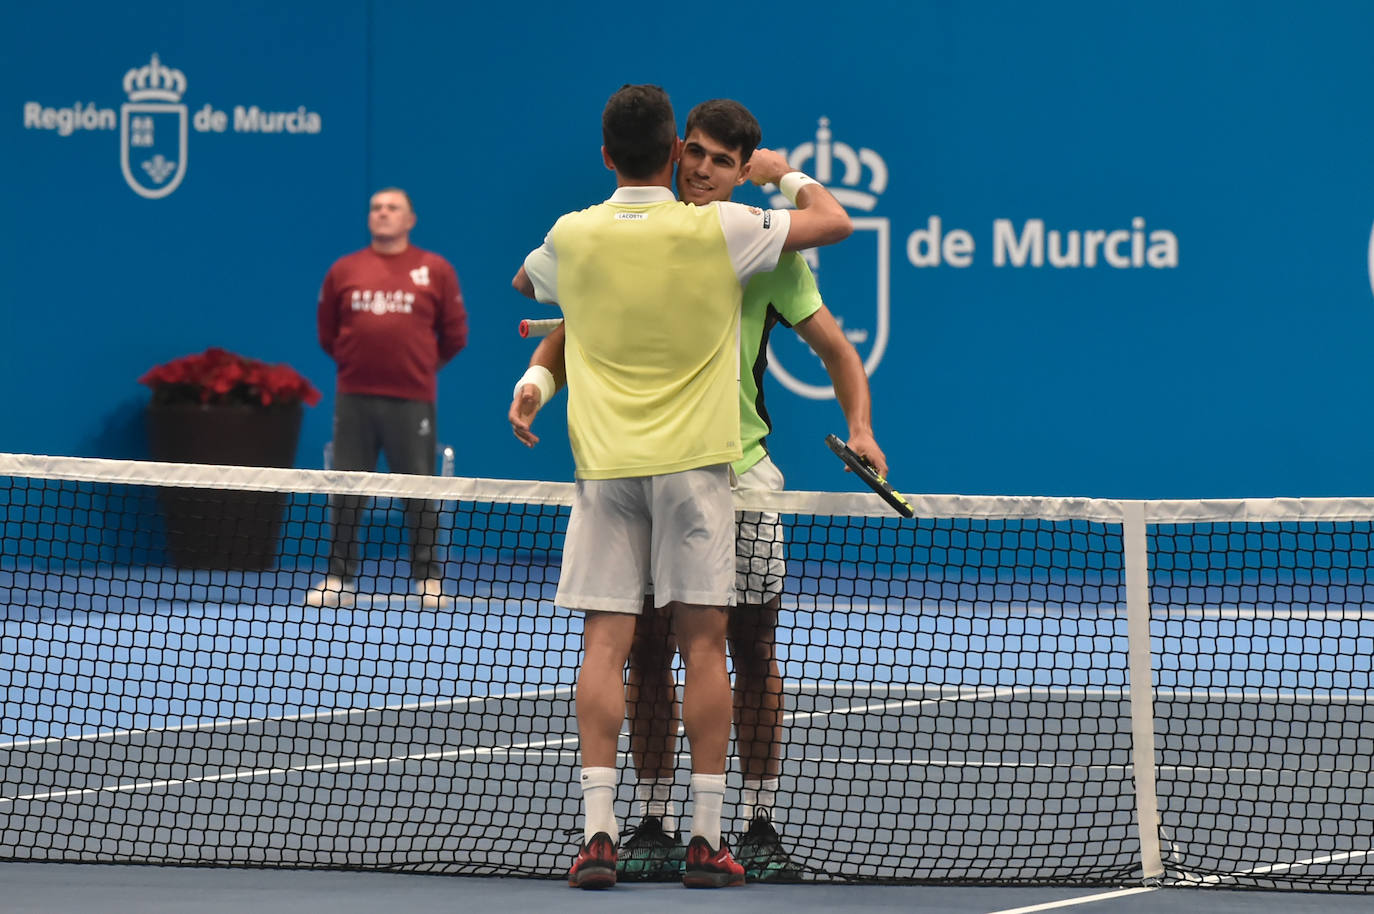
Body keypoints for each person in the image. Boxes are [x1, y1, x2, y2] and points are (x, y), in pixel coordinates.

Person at [509, 99, 887, 884]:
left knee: (746, 647)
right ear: (674, 153)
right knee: (653, 653)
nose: (705, 169)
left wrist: (862, 428)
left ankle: (752, 821)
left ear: (742, 169)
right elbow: (578, 314)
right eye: (696, 156)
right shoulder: (702, 232)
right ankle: (657, 821)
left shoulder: (748, 242)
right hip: (689, 470)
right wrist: (541, 373)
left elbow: (840, 353)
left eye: (723, 160)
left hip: (731, 471)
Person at [308, 188, 468, 609]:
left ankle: (428, 579)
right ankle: (339, 578)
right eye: (376, 208)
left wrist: (416, 367)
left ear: (410, 219)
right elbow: (328, 333)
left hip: (412, 400)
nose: (382, 213)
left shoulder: (435, 271)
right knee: (346, 488)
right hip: (355, 399)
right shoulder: (345, 270)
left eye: (392, 208)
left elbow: (455, 335)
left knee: (418, 490)